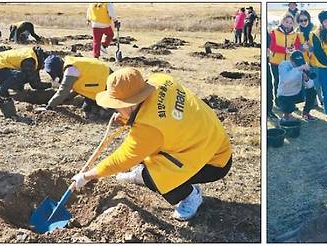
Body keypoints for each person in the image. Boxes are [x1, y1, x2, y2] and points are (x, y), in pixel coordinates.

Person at [70, 68, 233, 221]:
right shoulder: (160, 80)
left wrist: (86, 176)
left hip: (213, 161)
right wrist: (126, 117)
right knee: (147, 151)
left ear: (130, 103)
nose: (115, 109)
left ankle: (190, 195)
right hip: (209, 138)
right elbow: (161, 117)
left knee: (153, 177)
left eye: (118, 106)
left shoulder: (149, 128)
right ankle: (144, 172)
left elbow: (122, 159)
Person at [40, 55, 112, 119]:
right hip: (98, 81)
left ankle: (111, 112)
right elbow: (78, 87)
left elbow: (63, 90)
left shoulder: (71, 70)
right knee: (86, 108)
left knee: (91, 114)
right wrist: (66, 98)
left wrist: (50, 105)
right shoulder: (71, 64)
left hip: (106, 80)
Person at [269, 15, 301, 111]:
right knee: (278, 82)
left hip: (290, 63)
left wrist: (294, 49)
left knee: (291, 83)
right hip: (277, 62)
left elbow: (297, 46)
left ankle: (291, 103)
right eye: (286, 22)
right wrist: (284, 50)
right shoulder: (273, 32)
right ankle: (279, 102)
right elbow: (272, 46)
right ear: (282, 21)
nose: (288, 24)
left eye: (291, 23)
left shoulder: (295, 34)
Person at [277, 51, 316, 121]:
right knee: (289, 110)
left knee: (312, 91)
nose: (299, 64)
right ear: (291, 60)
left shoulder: (302, 65)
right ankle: (286, 114)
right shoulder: (284, 65)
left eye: (300, 62)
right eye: (297, 62)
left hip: (298, 93)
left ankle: (306, 113)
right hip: (285, 94)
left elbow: (310, 86)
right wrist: (298, 69)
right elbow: (285, 80)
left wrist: (307, 79)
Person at [296, 10, 320, 110]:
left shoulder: (315, 29)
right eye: (301, 20)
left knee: (317, 82)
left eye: (305, 20)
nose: (303, 22)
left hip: (315, 60)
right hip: (304, 61)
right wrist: (301, 47)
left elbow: (320, 45)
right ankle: (312, 102)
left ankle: (320, 99)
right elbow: (296, 46)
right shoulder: (297, 31)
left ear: (309, 19)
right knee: (307, 83)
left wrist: (311, 48)